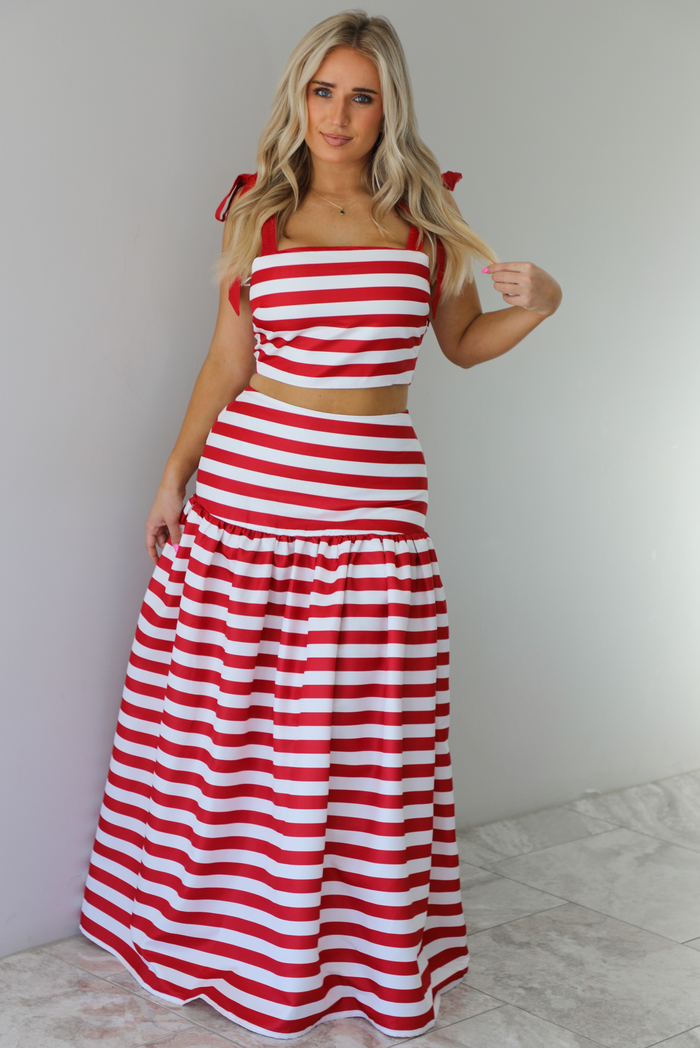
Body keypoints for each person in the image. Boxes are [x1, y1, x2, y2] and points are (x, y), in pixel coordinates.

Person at [79, 9, 562, 1041]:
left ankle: (347, 949)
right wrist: (174, 474)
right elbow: (228, 360)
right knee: (232, 727)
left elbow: (465, 345)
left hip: (376, 505)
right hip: (249, 500)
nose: (338, 114)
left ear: (389, 106)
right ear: (299, 96)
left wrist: (544, 304)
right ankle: (213, 936)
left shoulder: (427, 223)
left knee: (362, 739)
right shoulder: (257, 211)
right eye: (322, 90)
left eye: (361, 94)